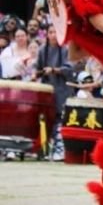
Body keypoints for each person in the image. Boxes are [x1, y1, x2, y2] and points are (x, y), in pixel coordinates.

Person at [35, 26, 72, 161]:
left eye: (55, 32)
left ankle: (59, 149)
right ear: (47, 35)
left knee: (60, 118)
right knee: (45, 119)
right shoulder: (42, 50)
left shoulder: (66, 49)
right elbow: (37, 68)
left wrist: (54, 70)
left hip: (62, 89)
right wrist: (35, 73)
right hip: (47, 89)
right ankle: (44, 149)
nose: (53, 35)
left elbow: (70, 70)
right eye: (50, 32)